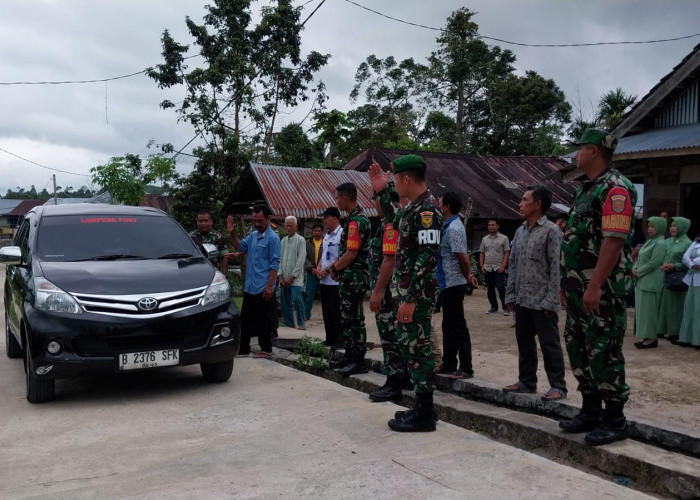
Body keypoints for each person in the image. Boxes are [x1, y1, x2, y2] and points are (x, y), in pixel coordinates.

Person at [559, 128, 637, 446]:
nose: (576, 155)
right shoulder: (586, 188)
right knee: (579, 347)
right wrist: (569, 284)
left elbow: (614, 241)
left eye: (580, 149)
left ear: (593, 151)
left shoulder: (616, 189)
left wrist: (594, 285)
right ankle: (590, 410)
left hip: (602, 289)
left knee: (603, 349)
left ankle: (615, 418)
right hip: (580, 288)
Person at [370, 154, 442, 433]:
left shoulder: (427, 212)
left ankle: (424, 414)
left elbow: (428, 258)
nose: (395, 184)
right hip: (409, 293)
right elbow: (394, 221)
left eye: (395, 180)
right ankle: (423, 409)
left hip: (417, 296)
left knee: (419, 352)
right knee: (412, 350)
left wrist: (410, 298)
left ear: (406, 179)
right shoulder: (414, 210)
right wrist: (381, 190)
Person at [503, 185, 567, 401]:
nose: (520, 204)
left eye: (524, 200)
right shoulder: (520, 231)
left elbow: (556, 267)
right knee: (524, 342)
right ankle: (526, 381)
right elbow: (513, 264)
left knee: (549, 344)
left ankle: (558, 386)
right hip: (522, 298)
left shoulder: (551, 231)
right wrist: (510, 294)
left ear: (537, 204)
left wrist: (552, 300)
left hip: (542, 301)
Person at [327, 182, 371, 377]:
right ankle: (350, 355)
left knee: (354, 320)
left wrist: (335, 267)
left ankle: (358, 360)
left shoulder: (357, 222)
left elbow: (351, 254)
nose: (336, 201)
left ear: (345, 198)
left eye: (337, 197)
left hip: (355, 277)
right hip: (348, 276)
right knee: (347, 318)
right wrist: (335, 268)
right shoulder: (353, 219)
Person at [227, 205, 281, 358]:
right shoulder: (253, 236)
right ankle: (243, 348)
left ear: (268, 219)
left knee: (263, 320)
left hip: (263, 286)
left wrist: (270, 286)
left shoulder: (273, 238)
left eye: (260, 221)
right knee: (245, 319)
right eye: (254, 221)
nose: (257, 224)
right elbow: (239, 246)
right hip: (250, 285)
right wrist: (232, 234)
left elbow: (274, 264)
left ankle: (266, 349)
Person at [435, 191, 478, 380]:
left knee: (457, 325)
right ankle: (449, 362)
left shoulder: (453, 228)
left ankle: (466, 367)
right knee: (448, 324)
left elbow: (463, 258)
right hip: (446, 282)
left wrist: (467, 276)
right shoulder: (446, 225)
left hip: (454, 282)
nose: (437, 202)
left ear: (446, 206)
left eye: (440, 200)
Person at [367, 185, 403, 402]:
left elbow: (389, 260)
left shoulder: (391, 225)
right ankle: (400, 377)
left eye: (377, 199)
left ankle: (394, 382)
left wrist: (377, 291)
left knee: (389, 337)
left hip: (388, 293)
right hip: (389, 291)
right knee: (392, 336)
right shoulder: (386, 224)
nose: (374, 203)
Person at [632, 217, 667, 349]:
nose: (650, 229)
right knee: (643, 311)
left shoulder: (660, 243)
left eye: (653, 226)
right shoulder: (650, 241)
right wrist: (634, 268)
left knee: (649, 311)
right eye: (649, 226)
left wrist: (638, 271)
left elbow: (654, 263)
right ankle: (645, 336)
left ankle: (651, 338)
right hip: (642, 280)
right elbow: (641, 258)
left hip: (651, 281)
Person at [659, 218, 692, 343]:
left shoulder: (688, 243)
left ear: (683, 227)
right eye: (671, 225)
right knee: (665, 305)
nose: (672, 228)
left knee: (676, 307)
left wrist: (674, 265)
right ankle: (662, 329)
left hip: (677, 279)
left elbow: (689, 263)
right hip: (664, 277)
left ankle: (675, 332)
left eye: (676, 226)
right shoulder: (667, 241)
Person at [316, 207, 343, 348]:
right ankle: (330, 338)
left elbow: (340, 257)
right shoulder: (327, 236)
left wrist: (327, 270)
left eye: (326, 218)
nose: (324, 221)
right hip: (324, 280)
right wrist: (320, 267)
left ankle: (339, 340)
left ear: (334, 218)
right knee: (326, 311)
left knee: (335, 312)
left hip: (335, 281)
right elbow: (324, 255)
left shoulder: (341, 234)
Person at [278, 216, 306, 330]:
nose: (288, 228)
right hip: (283, 278)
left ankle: (301, 323)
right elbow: (278, 259)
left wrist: (291, 277)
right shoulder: (283, 240)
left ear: (296, 227)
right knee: (284, 302)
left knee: (297, 299)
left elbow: (301, 260)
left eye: (291, 225)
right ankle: (289, 324)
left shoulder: (300, 240)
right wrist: (280, 276)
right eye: (287, 226)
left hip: (296, 278)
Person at [479, 217, 510, 315]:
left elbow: (506, 253)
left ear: (498, 226)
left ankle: (506, 308)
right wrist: (481, 266)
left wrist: (503, 266)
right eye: (489, 225)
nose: (491, 227)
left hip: (498, 267)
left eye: (493, 225)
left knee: (501, 288)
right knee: (490, 289)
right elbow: (482, 253)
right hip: (487, 267)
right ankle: (493, 307)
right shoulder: (484, 239)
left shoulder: (504, 238)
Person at [678, 233, 700, 347]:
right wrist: (692, 264)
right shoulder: (695, 242)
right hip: (692, 280)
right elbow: (685, 258)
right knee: (690, 307)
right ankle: (688, 338)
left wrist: (695, 260)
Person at [304, 223, 324, 321]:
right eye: (315, 231)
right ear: (312, 232)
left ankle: (326, 314)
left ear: (322, 232)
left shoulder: (326, 242)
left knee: (324, 295)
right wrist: (311, 268)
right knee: (309, 294)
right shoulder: (307, 243)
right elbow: (305, 257)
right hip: (311, 273)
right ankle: (306, 314)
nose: (316, 232)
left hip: (323, 274)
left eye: (318, 231)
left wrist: (322, 269)